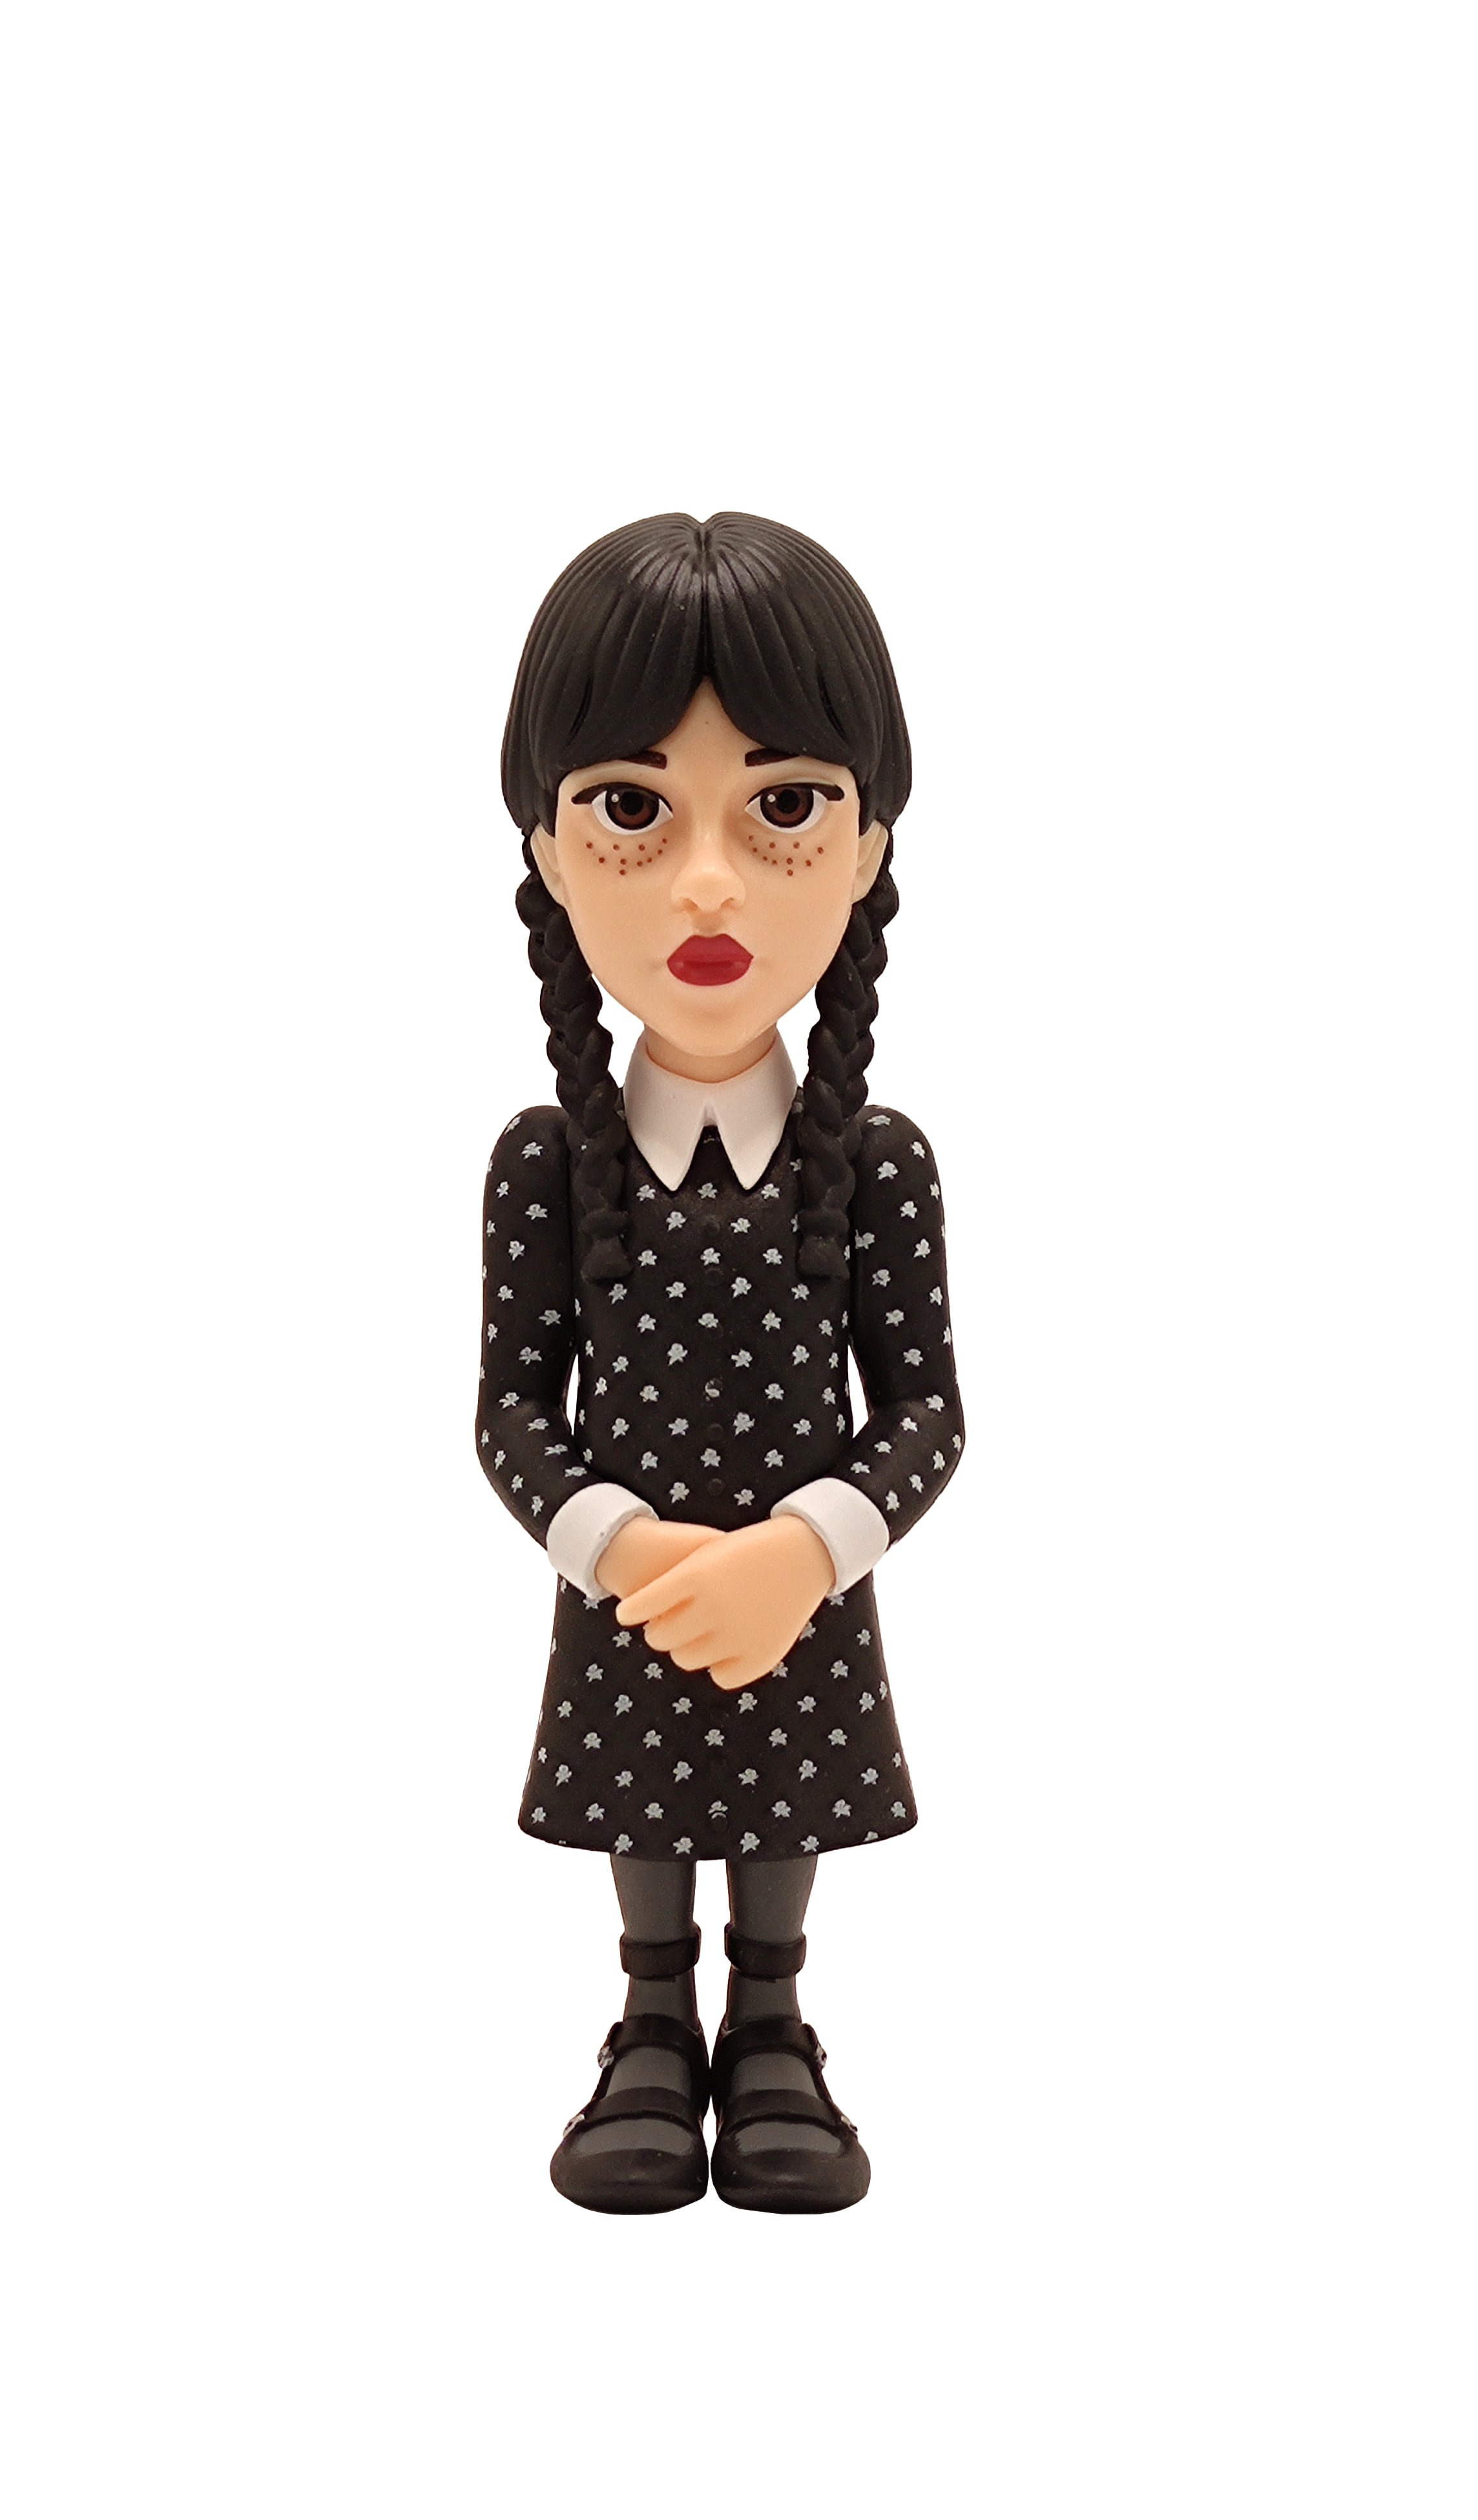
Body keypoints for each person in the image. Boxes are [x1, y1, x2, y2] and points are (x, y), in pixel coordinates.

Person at [480, 512, 964, 2213]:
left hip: (793, 1593)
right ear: (548, 849)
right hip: (636, 1592)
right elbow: (511, 1411)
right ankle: (647, 2022)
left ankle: (771, 2026)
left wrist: (807, 1553)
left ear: (868, 844)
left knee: (779, 1798)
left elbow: (926, 1411)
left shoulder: (874, 1166)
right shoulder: (552, 1166)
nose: (707, 884)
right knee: (644, 1794)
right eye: (632, 809)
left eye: (785, 808)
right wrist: (617, 1548)